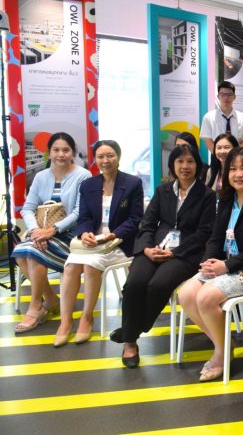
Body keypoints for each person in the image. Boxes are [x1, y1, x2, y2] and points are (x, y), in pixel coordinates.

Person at [110, 145, 216, 368]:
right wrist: (147, 248)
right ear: (173, 166)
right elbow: (147, 224)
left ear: (198, 165)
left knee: (158, 285)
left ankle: (131, 335)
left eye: (190, 161)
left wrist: (175, 252)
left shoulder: (207, 195)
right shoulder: (162, 191)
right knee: (134, 284)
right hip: (154, 247)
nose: (184, 166)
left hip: (185, 253)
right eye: (179, 161)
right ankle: (131, 339)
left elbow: (204, 233)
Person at [177, 148, 243, 381]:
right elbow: (216, 238)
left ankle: (220, 353)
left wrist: (226, 266)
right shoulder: (226, 199)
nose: (239, 174)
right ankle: (224, 344)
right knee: (186, 293)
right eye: (233, 169)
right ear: (226, 172)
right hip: (223, 266)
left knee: (205, 298)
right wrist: (209, 261)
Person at [54, 140, 143, 346]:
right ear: (95, 159)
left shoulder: (132, 184)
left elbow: (135, 220)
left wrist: (112, 235)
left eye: (110, 155)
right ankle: (65, 321)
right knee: (70, 267)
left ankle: (86, 318)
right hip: (93, 242)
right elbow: (84, 217)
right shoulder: (88, 185)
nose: (105, 160)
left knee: (90, 266)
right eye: (101, 156)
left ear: (118, 157)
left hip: (120, 243)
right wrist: (85, 233)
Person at [13, 133, 92, 334]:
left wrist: (53, 230)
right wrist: (35, 230)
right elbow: (28, 208)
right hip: (40, 232)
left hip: (70, 236)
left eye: (66, 150)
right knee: (22, 253)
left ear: (72, 152)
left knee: (31, 253)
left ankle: (35, 307)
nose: (61, 154)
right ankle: (49, 299)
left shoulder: (83, 175)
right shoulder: (41, 176)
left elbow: (79, 211)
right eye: (56, 150)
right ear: (49, 152)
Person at [200, 81, 243, 152]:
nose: (226, 97)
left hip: (237, 157)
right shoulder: (208, 117)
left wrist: (234, 154)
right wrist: (219, 154)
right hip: (216, 158)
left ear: (234, 97)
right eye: (222, 94)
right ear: (218, 96)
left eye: (229, 94)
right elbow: (208, 141)